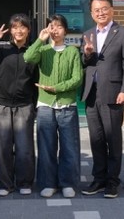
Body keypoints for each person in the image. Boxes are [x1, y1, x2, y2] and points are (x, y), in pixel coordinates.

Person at [0, 14, 38, 196]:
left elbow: (36, 79)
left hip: (24, 105)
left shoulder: (32, 51)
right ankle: (5, 184)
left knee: (24, 148)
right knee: (2, 148)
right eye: (15, 27)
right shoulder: (0, 47)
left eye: (23, 27)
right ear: (10, 30)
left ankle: (24, 182)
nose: (19, 31)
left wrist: (34, 104)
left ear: (28, 30)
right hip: (1, 104)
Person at [80, 0, 124, 199]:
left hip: (113, 94)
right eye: (97, 10)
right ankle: (99, 178)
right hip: (91, 94)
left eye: (104, 9)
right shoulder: (88, 34)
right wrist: (87, 54)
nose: (101, 13)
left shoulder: (123, 33)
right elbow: (85, 63)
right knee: (96, 139)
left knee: (113, 139)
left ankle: (112, 182)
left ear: (112, 10)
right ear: (91, 13)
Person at [24, 14, 83, 199]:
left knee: (69, 147)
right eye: (52, 26)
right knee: (46, 147)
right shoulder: (43, 50)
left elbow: (77, 79)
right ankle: (48, 183)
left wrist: (57, 88)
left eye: (59, 26)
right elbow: (28, 57)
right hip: (45, 106)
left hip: (67, 106)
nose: (55, 30)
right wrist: (40, 40)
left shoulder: (72, 51)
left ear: (65, 30)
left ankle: (68, 183)